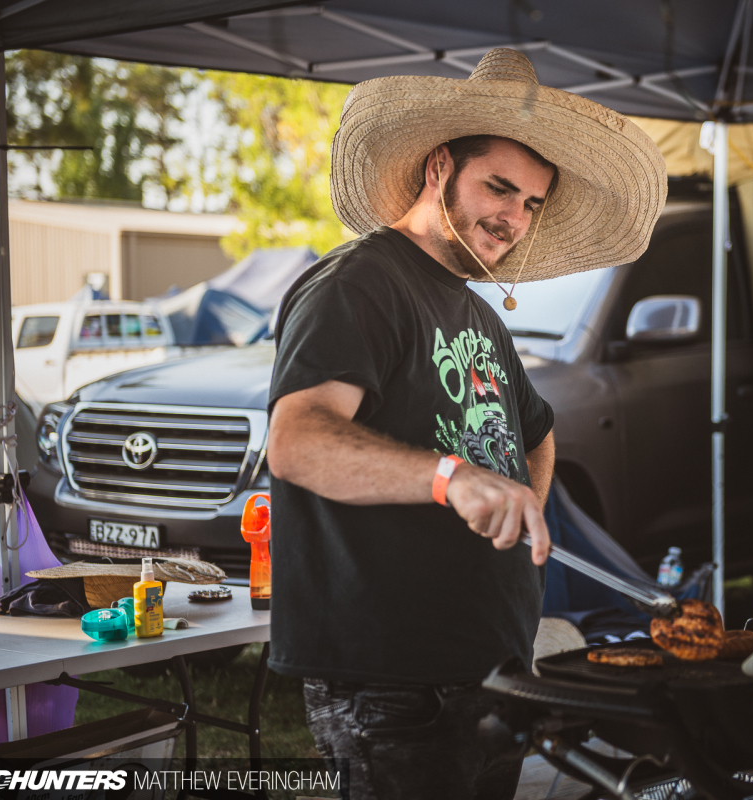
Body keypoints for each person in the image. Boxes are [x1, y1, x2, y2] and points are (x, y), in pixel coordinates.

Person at [266, 48, 666, 800]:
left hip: (493, 664)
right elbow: (298, 440)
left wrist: (527, 510)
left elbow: (536, 432)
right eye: (500, 188)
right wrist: (450, 478)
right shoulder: (361, 284)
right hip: (391, 681)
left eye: (532, 204)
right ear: (438, 167)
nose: (513, 220)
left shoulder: (475, 311)